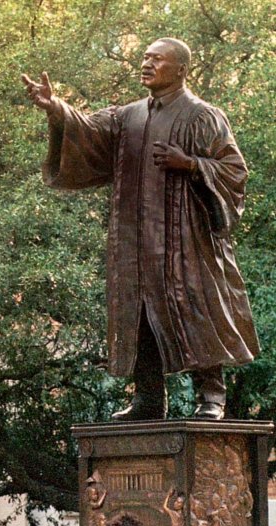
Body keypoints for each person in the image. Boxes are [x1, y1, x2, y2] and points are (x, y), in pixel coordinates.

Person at [22, 37, 259, 421]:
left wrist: (192, 164)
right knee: (139, 317)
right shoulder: (127, 117)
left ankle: (211, 397)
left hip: (186, 241)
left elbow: (234, 171)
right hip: (134, 240)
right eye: (145, 57)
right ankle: (148, 399)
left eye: (157, 59)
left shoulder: (202, 116)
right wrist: (56, 108)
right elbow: (88, 131)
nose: (146, 64)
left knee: (197, 309)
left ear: (180, 69)